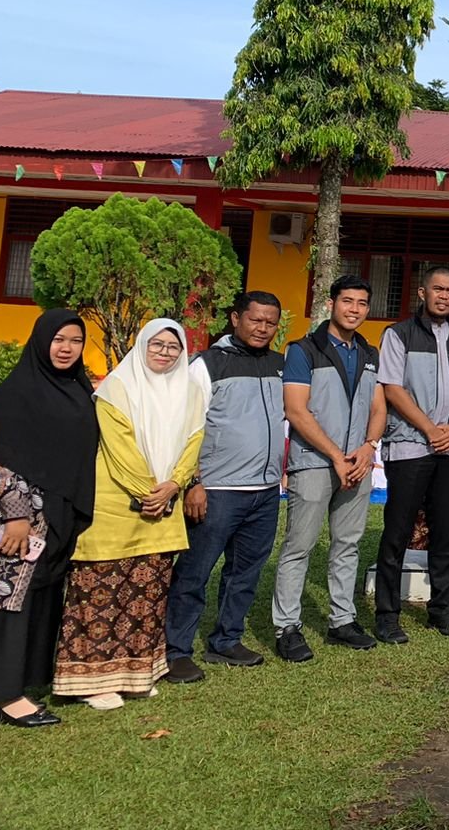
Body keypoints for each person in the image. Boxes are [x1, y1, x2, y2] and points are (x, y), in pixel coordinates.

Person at [53, 319, 205, 709]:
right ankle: (91, 682)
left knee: (148, 592)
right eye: (157, 345)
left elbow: (193, 441)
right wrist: (147, 490)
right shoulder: (117, 388)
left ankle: (138, 673)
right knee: (102, 591)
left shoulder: (190, 391)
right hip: (116, 505)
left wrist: (174, 484)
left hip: (164, 505)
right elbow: (118, 447)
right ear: (141, 346)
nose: (165, 353)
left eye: (173, 347)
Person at [164, 292, 286, 684]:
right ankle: (175, 650)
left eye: (270, 323)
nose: (263, 328)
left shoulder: (278, 364)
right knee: (195, 573)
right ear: (236, 318)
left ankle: (226, 639)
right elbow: (184, 426)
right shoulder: (207, 364)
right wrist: (194, 482)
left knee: (245, 572)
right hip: (217, 489)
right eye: (256, 320)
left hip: (265, 490)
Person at [0, 310, 99, 727]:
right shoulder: (17, 393)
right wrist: (16, 517)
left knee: (38, 596)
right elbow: (1, 459)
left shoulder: (76, 389)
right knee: (7, 599)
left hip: (57, 513)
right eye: (58, 340)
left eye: (75, 340)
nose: (66, 348)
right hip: (16, 518)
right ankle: (3, 695)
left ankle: (20, 680)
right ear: (40, 341)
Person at [272, 274, 385, 662]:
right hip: (315, 464)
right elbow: (296, 411)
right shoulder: (304, 350)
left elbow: (378, 407)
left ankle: (342, 620)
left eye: (362, 303)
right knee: (298, 546)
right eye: (347, 301)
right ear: (332, 303)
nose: (354, 310)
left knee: (347, 544)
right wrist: (337, 456)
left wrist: (369, 448)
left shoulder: (370, 354)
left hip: (357, 463)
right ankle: (286, 626)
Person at [375, 264, 449, 644]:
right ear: (422, 292)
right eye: (437, 289)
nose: (444, 296)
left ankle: (441, 608)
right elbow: (391, 387)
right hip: (409, 446)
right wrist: (428, 427)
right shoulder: (399, 334)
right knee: (398, 530)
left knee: (445, 532)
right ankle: (387, 614)